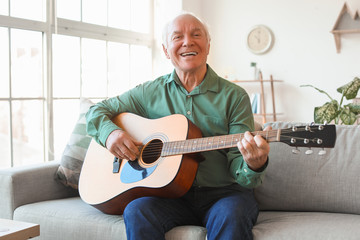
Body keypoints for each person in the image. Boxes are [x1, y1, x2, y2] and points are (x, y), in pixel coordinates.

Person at [86, 12, 270, 240]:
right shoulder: (149, 93)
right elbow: (96, 111)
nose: (187, 42)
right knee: (137, 210)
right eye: (177, 37)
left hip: (225, 195)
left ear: (208, 45)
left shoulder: (235, 96)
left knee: (231, 215)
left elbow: (241, 172)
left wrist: (254, 164)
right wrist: (111, 133)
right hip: (169, 196)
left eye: (196, 34)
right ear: (165, 50)